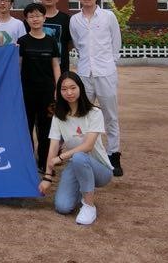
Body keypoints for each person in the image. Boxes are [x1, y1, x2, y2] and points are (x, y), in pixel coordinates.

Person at [38, 72, 114, 225]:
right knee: (62, 207)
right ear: (59, 92)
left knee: (79, 156)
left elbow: (88, 146)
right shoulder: (58, 117)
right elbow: (53, 147)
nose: (69, 92)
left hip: (101, 170)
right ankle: (81, 189)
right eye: (64, 89)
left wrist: (61, 157)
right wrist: (47, 177)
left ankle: (89, 205)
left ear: (80, 88)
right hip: (76, 164)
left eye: (73, 88)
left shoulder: (94, 113)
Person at [69, 0, 124, 176]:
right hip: (85, 73)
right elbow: (78, 44)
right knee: (83, 114)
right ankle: (87, 153)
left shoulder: (108, 16)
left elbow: (116, 42)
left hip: (106, 72)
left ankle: (114, 154)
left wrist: (110, 62)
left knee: (110, 115)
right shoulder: (75, 20)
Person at [18, 2, 61, 172]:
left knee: (46, 127)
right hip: (26, 92)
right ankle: (27, 162)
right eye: (31, 16)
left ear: (44, 18)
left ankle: (44, 161)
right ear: (26, 20)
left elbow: (55, 65)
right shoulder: (22, 41)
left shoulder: (51, 41)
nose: (35, 19)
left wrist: (58, 87)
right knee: (26, 127)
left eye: (38, 15)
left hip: (47, 92)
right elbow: (18, 66)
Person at [30, 0, 72, 74]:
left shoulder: (66, 19)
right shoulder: (31, 19)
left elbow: (69, 44)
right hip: (36, 71)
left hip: (61, 71)